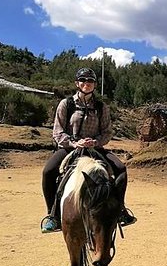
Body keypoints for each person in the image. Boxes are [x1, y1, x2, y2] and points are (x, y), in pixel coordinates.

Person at [41, 67, 136, 233]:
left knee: (121, 169)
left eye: (90, 81)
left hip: (94, 148)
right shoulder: (66, 104)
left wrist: (96, 141)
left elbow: (107, 131)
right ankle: (52, 215)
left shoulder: (101, 107)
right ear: (77, 83)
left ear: (95, 85)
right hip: (71, 148)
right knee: (48, 172)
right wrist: (74, 143)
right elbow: (58, 131)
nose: (87, 83)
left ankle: (120, 209)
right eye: (83, 80)